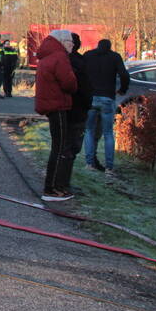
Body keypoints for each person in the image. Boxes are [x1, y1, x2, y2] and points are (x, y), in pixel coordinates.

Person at [35, 29, 78, 201]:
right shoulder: (60, 57)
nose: (72, 46)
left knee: (57, 147)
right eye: (70, 42)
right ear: (62, 42)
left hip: (49, 103)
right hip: (57, 104)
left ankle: (52, 187)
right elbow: (69, 83)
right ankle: (52, 188)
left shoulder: (47, 56)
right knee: (59, 148)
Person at [82, 38, 130, 175]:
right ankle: (109, 167)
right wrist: (122, 90)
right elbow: (124, 75)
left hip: (91, 98)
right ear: (110, 47)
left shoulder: (88, 56)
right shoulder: (115, 57)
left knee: (89, 131)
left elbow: (81, 74)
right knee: (108, 133)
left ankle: (89, 163)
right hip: (108, 98)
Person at [61, 33, 93, 195]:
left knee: (65, 147)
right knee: (70, 148)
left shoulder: (67, 60)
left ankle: (61, 182)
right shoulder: (76, 62)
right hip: (76, 110)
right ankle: (63, 184)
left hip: (68, 110)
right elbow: (82, 88)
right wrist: (88, 103)